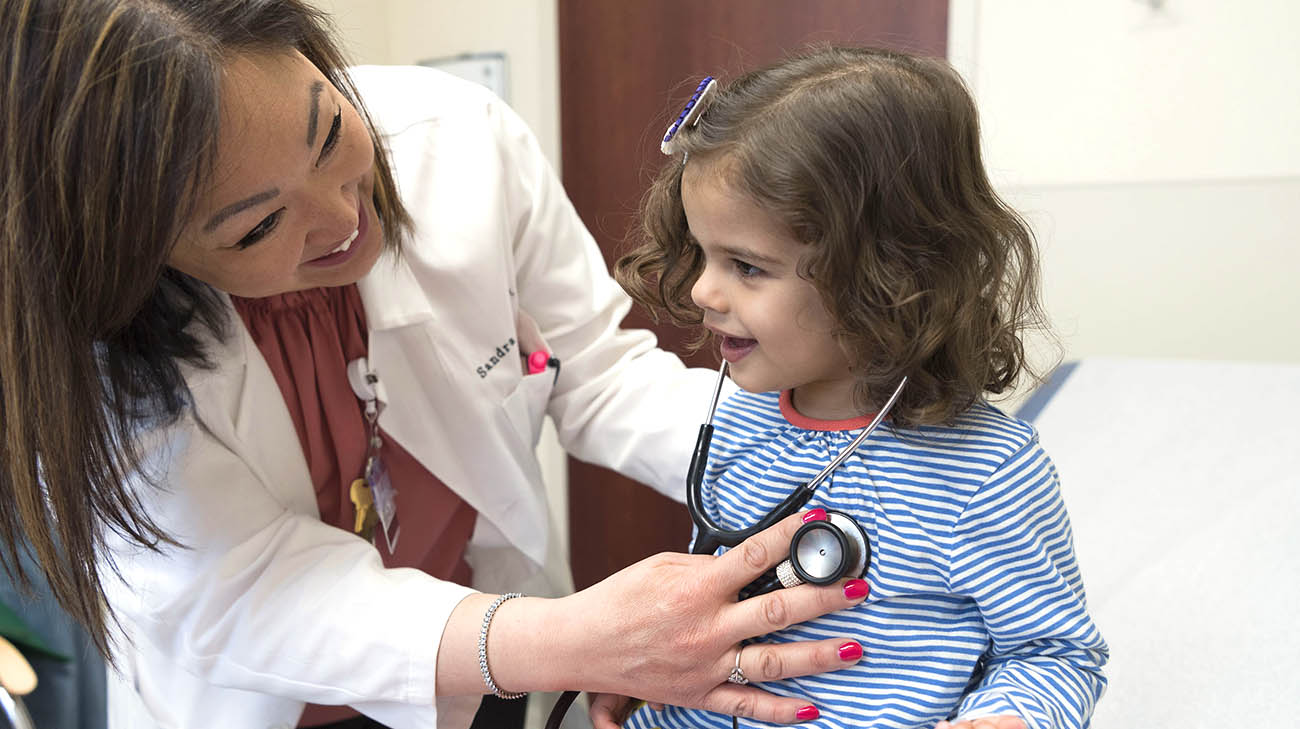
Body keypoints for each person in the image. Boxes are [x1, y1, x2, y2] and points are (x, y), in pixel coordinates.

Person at [0, 2, 878, 728]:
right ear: (144, 258)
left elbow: (598, 372)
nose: (342, 215)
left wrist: (843, 440)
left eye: (325, 131)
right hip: (266, 699)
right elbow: (248, 586)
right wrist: (577, 638)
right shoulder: (95, 339)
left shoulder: (459, 142)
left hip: (494, 670)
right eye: (256, 226)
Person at [603, 46, 1109, 729]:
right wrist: (642, 666)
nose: (702, 290)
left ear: (882, 273)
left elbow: (1053, 653)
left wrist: (1003, 719)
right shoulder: (741, 418)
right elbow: (716, 591)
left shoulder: (985, 470)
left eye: (747, 266)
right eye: (702, 253)